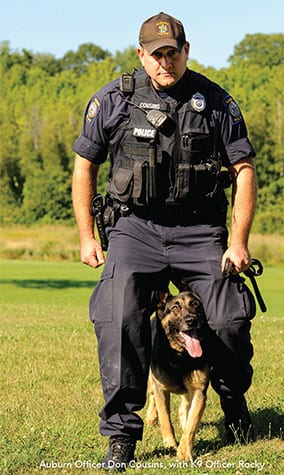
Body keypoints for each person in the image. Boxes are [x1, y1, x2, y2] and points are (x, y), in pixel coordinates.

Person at [72, 12, 257, 471]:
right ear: (141, 55)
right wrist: (85, 235)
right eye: (156, 55)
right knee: (117, 315)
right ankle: (121, 435)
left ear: (186, 51)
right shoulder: (113, 100)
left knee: (230, 319)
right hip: (135, 228)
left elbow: (244, 171)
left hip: (199, 230)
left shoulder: (214, 101)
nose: (165, 62)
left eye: (173, 52)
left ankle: (232, 404)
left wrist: (237, 241)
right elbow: (84, 167)